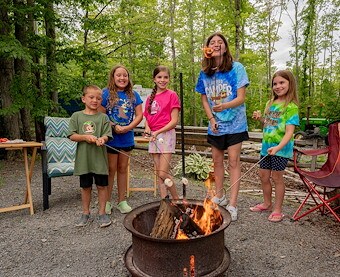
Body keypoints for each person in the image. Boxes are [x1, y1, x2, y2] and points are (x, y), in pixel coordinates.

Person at [195, 32, 249, 221]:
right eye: (212, 42)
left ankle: (233, 204)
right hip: (215, 125)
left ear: (225, 47)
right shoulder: (205, 73)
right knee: (217, 162)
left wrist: (224, 106)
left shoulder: (237, 68)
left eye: (220, 42)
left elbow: (241, 98)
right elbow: (203, 97)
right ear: (208, 48)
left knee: (233, 162)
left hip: (236, 124)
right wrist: (211, 118)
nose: (216, 44)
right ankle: (220, 195)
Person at [251, 70, 299, 222]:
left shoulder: (291, 107)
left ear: (290, 84)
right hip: (266, 148)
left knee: (277, 177)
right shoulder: (270, 103)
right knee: (263, 176)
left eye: (282, 82)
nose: (278, 86)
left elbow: (289, 133)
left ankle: (278, 209)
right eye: (275, 84)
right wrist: (260, 119)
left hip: (281, 149)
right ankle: (267, 203)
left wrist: (278, 148)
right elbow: (269, 124)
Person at [100, 65, 143, 214]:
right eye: (118, 75)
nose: (122, 78)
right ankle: (106, 202)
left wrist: (128, 127)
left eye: (125, 75)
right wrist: (113, 125)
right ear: (113, 77)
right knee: (111, 169)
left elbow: (139, 115)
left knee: (123, 168)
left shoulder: (133, 95)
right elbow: (101, 115)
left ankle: (122, 201)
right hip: (111, 138)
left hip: (127, 137)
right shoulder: (105, 94)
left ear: (128, 78)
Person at [68, 85, 112, 228]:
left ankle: (102, 213)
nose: (95, 100)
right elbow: (72, 135)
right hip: (84, 161)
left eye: (98, 98)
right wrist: (85, 137)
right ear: (83, 99)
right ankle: (85, 213)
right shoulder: (76, 116)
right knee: (85, 187)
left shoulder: (103, 117)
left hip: (100, 160)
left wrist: (102, 139)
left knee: (102, 186)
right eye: (91, 97)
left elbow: (107, 134)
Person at [143, 66, 180, 199]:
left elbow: (174, 121)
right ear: (154, 79)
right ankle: (165, 200)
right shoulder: (150, 98)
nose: (162, 80)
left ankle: (177, 199)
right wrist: (147, 128)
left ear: (169, 79)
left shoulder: (172, 95)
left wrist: (158, 132)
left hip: (166, 135)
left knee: (163, 173)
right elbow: (147, 117)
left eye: (165, 77)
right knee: (158, 173)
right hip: (154, 136)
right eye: (159, 77)